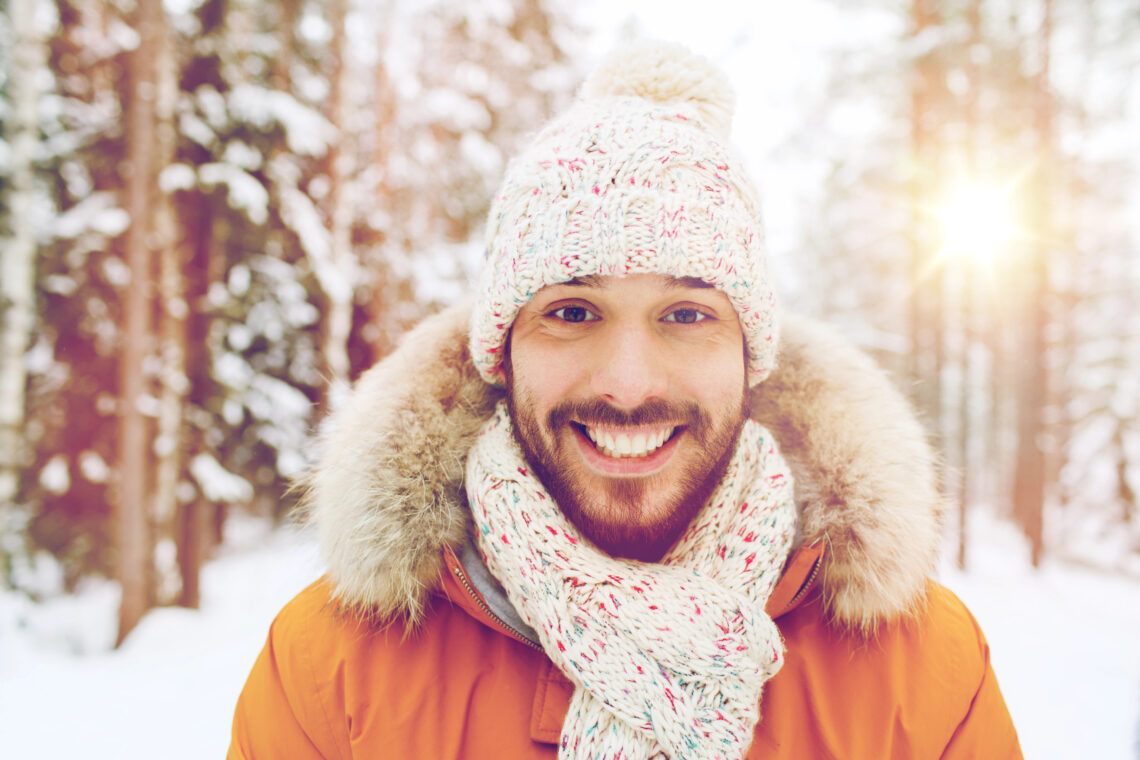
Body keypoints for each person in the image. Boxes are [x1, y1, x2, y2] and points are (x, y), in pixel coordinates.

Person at [229, 42, 1022, 759]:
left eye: (686, 315)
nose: (630, 383)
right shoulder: (328, 675)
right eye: (572, 312)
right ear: (501, 354)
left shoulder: (923, 678)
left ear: (751, 357)